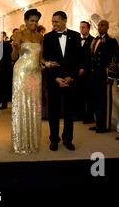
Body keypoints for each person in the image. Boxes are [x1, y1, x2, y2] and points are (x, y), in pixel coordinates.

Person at [43, 11, 81, 151]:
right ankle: (54, 140)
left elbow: (78, 59)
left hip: (70, 80)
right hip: (55, 80)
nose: (54, 24)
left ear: (65, 20)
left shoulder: (76, 36)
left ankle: (68, 139)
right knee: (53, 112)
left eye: (56, 21)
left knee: (69, 112)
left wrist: (71, 77)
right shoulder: (47, 37)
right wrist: (56, 78)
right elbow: (46, 60)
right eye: (52, 22)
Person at [11, 9, 44, 153]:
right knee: (22, 105)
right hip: (21, 73)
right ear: (26, 21)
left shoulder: (40, 37)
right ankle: (21, 142)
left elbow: (40, 58)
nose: (34, 23)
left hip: (35, 74)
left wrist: (47, 63)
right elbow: (13, 58)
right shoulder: (19, 34)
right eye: (32, 20)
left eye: (36, 21)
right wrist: (15, 48)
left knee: (34, 106)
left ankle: (32, 141)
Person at [89, 20, 119, 133]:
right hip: (95, 74)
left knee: (104, 100)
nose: (100, 27)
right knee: (96, 99)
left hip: (104, 74)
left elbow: (114, 59)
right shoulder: (95, 39)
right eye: (99, 25)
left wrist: (111, 75)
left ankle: (105, 125)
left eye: (103, 25)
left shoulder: (111, 41)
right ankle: (98, 123)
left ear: (107, 27)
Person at [77, 21, 95, 123]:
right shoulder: (77, 40)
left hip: (88, 72)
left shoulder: (93, 40)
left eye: (84, 27)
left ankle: (89, 116)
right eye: (80, 27)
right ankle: (80, 114)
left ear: (88, 28)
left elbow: (91, 57)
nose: (82, 29)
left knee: (89, 95)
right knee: (79, 94)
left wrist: (84, 68)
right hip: (77, 71)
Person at [0, 31, 13, 110]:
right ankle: (4, 103)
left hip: (2, 67)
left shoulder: (1, 45)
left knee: (1, 85)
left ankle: (2, 102)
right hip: (7, 67)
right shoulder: (8, 45)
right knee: (4, 86)